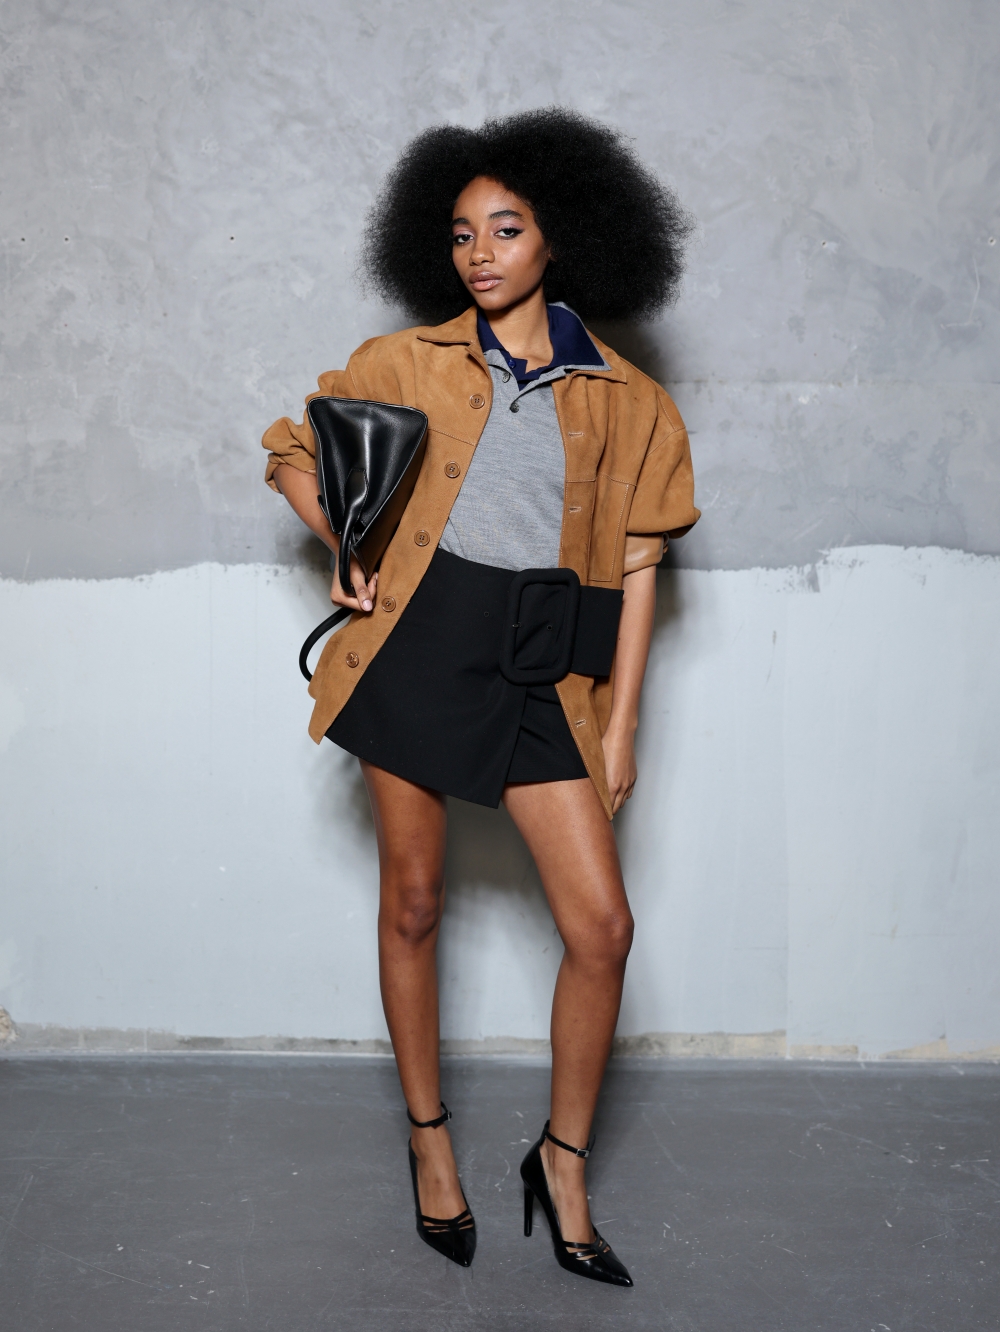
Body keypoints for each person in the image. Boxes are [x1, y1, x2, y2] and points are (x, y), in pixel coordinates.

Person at [262, 108, 698, 1286]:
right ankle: (430, 1142)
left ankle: (560, 1162)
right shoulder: (404, 361)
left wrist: (620, 722)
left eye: (506, 229)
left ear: (564, 236)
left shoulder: (629, 397)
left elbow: (644, 562)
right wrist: (341, 542)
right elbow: (291, 448)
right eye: (461, 234)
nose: (481, 253)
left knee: (600, 927)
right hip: (414, 644)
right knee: (413, 903)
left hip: (542, 666)